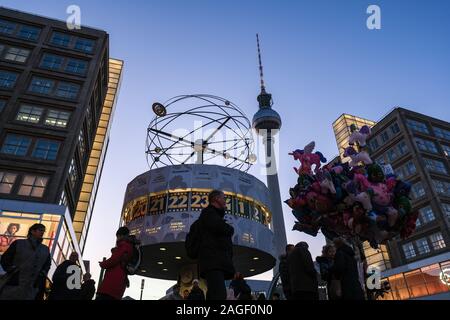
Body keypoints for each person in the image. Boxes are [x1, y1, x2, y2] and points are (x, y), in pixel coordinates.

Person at [198, 190, 235, 300]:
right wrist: (230, 229)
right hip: (213, 262)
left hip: (214, 262)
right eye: (223, 198)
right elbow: (220, 227)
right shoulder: (209, 213)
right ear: (216, 199)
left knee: (215, 293)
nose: (225, 201)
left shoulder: (212, 215)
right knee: (218, 294)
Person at [0, 223, 50, 300]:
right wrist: (12, 270)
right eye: (40, 230)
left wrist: (41, 274)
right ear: (32, 231)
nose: (42, 232)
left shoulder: (45, 249)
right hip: (14, 285)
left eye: (43, 231)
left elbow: (47, 264)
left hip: (31, 289)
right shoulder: (18, 243)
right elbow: (5, 258)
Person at [96, 226, 134, 300]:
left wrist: (103, 264)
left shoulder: (124, 245)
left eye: (118, 236)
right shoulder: (130, 246)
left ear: (121, 235)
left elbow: (114, 260)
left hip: (111, 284)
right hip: (119, 284)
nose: (117, 238)